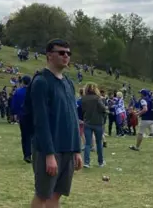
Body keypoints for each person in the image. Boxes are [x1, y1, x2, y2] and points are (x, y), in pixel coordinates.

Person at [25, 39, 82, 208]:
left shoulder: (68, 83)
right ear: (49, 55)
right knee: (43, 194)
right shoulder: (41, 82)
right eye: (61, 52)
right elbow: (40, 121)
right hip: (48, 149)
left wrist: (77, 149)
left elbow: (73, 117)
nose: (66, 56)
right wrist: (49, 155)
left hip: (68, 148)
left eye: (68, 53)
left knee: (56, 195)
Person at [80, 83, 107, 168]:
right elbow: (103, 108)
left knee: (88, 144)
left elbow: (83, 110)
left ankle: (86, 162)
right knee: (99, 143)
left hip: (87, 122)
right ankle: (100, 162)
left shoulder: (83, 99)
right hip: (98, 123)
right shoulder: (97, 98)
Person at [11, 75, 31, 163]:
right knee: (32, 136)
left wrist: (14, 114)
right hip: (32, 116)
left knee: (24, 135)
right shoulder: (33, 92)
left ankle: (26, 154)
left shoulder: (18, 92)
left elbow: (14, 103)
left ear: (22, 82)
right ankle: (31, 153)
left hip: (22, 116)